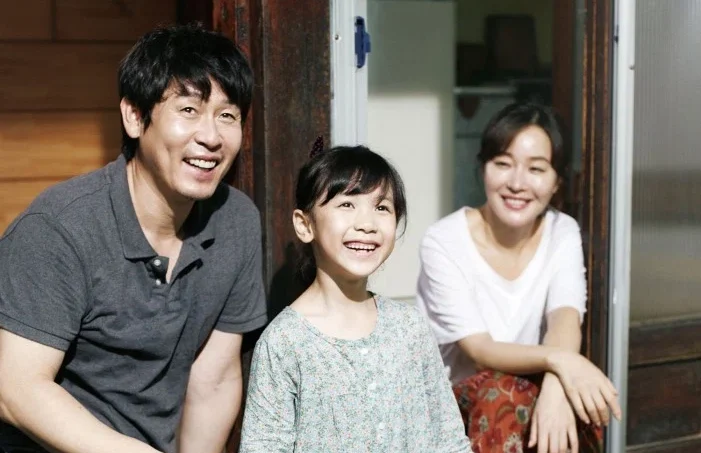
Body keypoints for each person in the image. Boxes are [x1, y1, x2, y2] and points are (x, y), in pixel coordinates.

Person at [0, 23, 267, 453]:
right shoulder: (59, 228)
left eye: (227, 116)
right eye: (188, 110)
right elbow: (16, 390)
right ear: (135, 117)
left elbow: (214, 378)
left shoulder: (236, 221)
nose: (211, 137)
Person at [415, 102, 622, 453]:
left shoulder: (562, 231)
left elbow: (565, 319)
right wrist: (561, 361)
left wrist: (557, 383)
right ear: (483, 168)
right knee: (503, 393)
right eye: (503, 164)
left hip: (524, 392)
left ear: (556, 181)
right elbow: (480, 351)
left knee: (580, 399)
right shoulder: (444, 240)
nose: (516, 183)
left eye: (536, 169)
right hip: (454, 407)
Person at [239, 142, 472, 453]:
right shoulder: (284, 342)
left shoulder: (409, 328)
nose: (367, 224)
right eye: (347, 204)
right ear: (305, 225)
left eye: (381, 208)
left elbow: (449, 440)